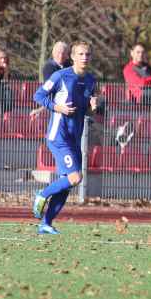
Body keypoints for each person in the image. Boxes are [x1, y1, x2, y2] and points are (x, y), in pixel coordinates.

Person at [31, 41, 99, 235]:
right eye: (80, 54)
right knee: (75, 177)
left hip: (74, 138)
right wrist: (57, 107)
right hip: (58, 136)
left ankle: (46, 224)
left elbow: (88, 112)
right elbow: (38, 95)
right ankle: (42, 194)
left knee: (67, 183)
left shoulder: (91, 81)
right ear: (73, 57)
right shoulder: (60, 76)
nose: (84, 57)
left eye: (87, 54)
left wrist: (93, 108)